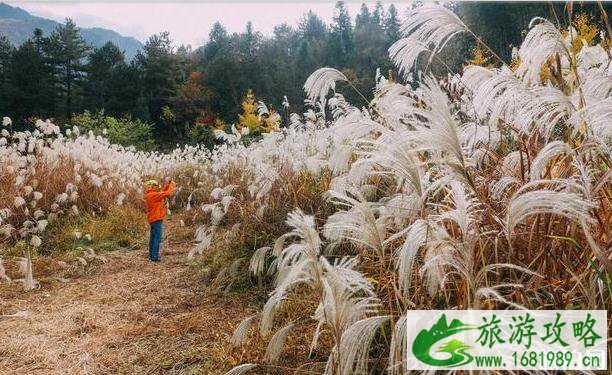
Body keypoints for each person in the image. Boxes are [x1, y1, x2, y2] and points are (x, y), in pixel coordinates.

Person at [144, 178, 176, 262]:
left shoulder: (151, 194)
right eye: (156, 185)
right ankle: (154, 257)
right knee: (157, 238)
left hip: (153, 219)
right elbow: (167, 193)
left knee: (153, 238)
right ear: (152, 186)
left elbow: (162, 192)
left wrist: (168, 185)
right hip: (156, 219)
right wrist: (172, 185)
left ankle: (152, 256)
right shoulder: (154, 195)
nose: (158, 186)